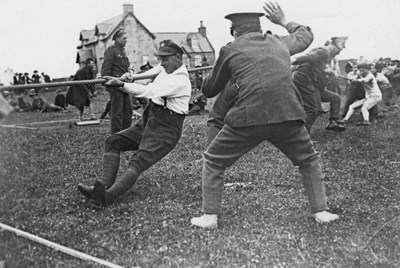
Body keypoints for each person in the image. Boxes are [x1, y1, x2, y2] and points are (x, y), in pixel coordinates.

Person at [190, 2, 339, 229]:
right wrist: (282, 20)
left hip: (249, 117)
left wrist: (221, 63)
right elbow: (306, 35)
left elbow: (209, 89)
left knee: (213, 161)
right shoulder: (279, 42)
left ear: (234, 31)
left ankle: (210, 217)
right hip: (287, 113)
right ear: (260, 28)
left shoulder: (230, 49)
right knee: (309, 160)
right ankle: (321, 211)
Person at [77, 40, 191, 207]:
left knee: (137, 162)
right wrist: (130, 76)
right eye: (160, 58)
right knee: (113, 141)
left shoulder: (180, 80)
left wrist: (122, 84)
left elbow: (148, 91)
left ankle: (107, 197)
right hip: (150, 119)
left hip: (167, 128)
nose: (162, 63)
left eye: (166, 59)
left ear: (178, 58)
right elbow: (154, 71)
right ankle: (101, 188)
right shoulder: (167, 68)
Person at [292, 36, 348, 133]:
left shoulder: (327, 55)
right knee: (313, 110)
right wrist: (292, 60)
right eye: (339, 48)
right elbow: (308, 58)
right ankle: (301, 137)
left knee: (336, 98)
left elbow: (316, 65)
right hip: (304, 78)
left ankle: (333, 121)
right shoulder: (324, 51)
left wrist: (329, 72)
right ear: (336, 45)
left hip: (311, 82)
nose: (339, 52)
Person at [101, 29, 132, 133]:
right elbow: (105, 71)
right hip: (115, 86)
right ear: (117, 39)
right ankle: (116, 136)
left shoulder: (123, 51)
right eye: (124, 38)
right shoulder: (111, 50)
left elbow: (126, 67)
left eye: (126, 38)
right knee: (117, 113)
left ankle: (126, 134)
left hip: (124, 85)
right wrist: (109, 86)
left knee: (128, 112)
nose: (126, 40)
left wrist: (130, 70)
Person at [338, 62, 382, 126]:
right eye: (360, 70)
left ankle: (367, 121)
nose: (361, 72)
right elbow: (355, 77)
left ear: (368, 70)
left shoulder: (370, 76)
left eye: (363, 70)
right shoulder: (359, 72)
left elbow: (364, 80)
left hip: (376, 96)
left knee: (364, 108)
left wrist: (356, 80)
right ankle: (344, 120)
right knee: (352, 106)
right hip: (369, 96)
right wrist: (344, 77)